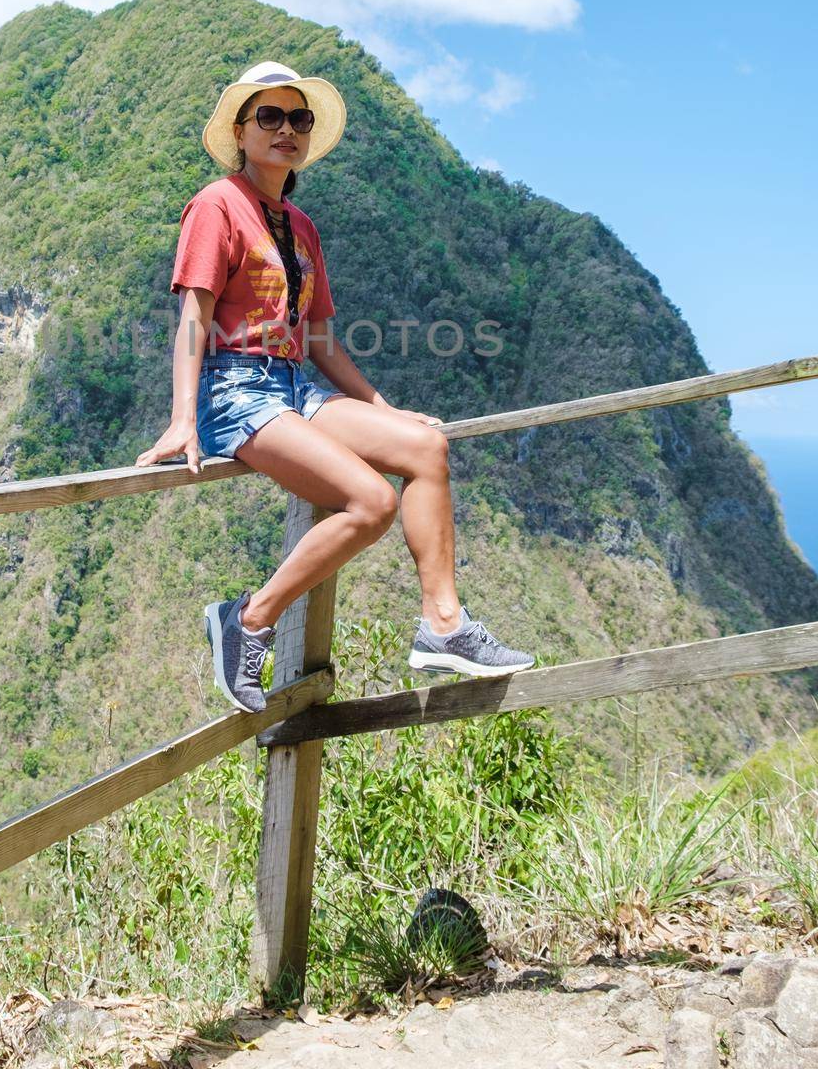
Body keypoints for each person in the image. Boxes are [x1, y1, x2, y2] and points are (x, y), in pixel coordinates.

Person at [135, 60, 534, 712]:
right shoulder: (217, 206)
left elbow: (318, 338)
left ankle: (443, 624)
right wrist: (182, 417)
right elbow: (195, 317)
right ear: (241, 131)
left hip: (293, 386)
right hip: (234, 393)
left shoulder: (301, 227)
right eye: (269, 116)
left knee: (424, 449)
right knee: (371, 502)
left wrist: (384, 410)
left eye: (298, 118)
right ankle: (249, 621)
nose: (285, 129)